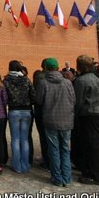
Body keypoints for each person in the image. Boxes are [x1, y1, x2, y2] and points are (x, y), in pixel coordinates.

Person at [35, 58, 75, 187]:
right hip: (66, 120)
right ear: (57, 67)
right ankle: (67, 178)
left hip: (50, 119)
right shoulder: (67, 82)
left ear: (46, 68)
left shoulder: (43, 83)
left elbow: (39, 101)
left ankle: (57, 178)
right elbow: (73, 100)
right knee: (65, 149)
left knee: (54, 149)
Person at [74, 55, 99, 185]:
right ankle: (93, 172)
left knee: (91, 145)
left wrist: (75, 114)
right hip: (98, 113)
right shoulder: (97, 78)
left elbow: (78, 100)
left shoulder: (81, 81)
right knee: (95, 144)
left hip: (88, 114)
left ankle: (95, 175)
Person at [4, 60, 35, 174]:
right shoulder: (26, 79)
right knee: (25, 139)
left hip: (14, 110)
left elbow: (4, 96)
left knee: (15, 139)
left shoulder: (6, 80)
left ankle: (16, 165)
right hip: (26, 110)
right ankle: (25, 165)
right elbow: (33, 95)